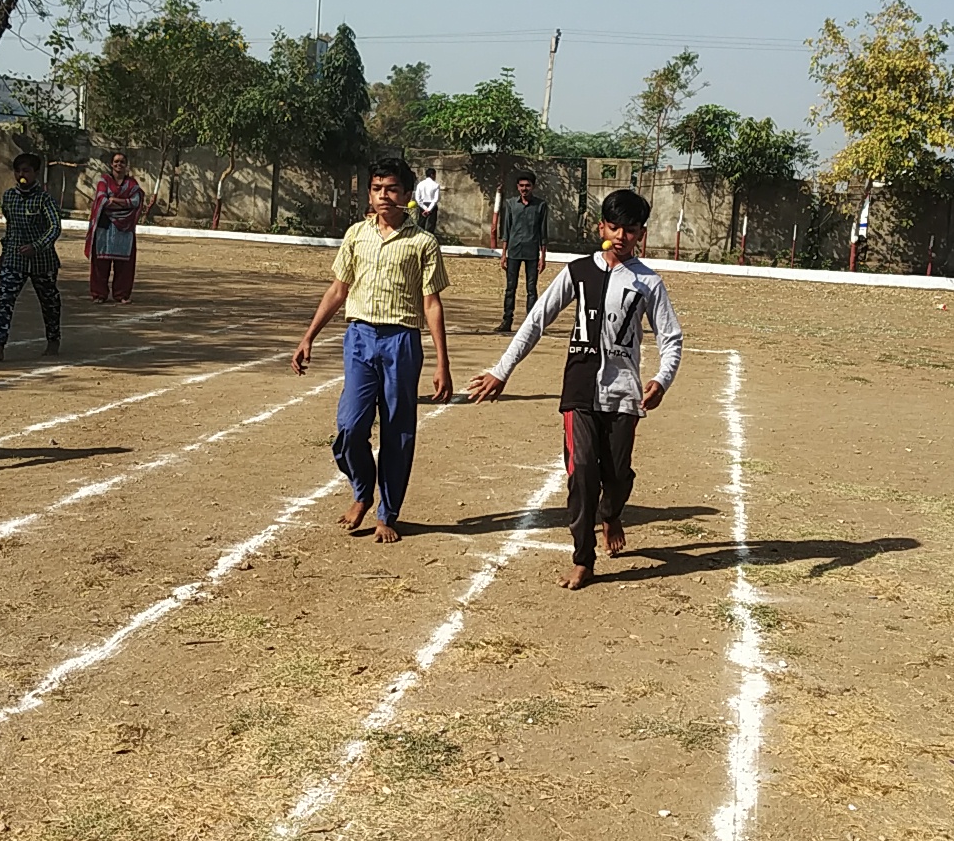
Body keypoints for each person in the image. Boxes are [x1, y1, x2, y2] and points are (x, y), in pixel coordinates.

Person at [467, 189, 684, 590]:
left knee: (617, 475)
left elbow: (670, 338)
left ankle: (612, 511)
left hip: (623, 394)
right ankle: (583, 558)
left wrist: (661, 379)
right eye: (614, 226)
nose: (621, 235)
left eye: (630, 229)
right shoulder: (578, 272)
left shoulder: (649, 283)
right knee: (582, 471)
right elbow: (536, 321)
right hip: (579, 391)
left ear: (641, 234)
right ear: (601, 227)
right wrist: (502, 370)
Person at [291, 155, 452, 544]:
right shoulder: (356, 235)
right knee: (349, 426)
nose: (384, 196)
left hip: (402, 341)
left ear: (407, 195)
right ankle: (362, 491)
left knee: (398, 430)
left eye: (392, 189)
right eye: (378, 189)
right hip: (360, 337)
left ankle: (387, 512)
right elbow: (338, 289)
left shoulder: (423, 243)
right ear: (370, 192)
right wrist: (308, 335)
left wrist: (442, 363)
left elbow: (432, 303)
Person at [0, 152, 62, 361]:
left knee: (49, 302)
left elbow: (55, 228)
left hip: (42, 261)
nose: (21, 175)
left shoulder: (45, 200)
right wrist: (4, 252)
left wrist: (37, 246)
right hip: (14, 259)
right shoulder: (9, 197)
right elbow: (10, 228)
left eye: (26, 170)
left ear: (36, 173)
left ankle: (53, 339)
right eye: (18, 171)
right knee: (5, 299)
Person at [85, 152, 145, 304]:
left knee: (125, 264)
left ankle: (122, 295)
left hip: (124, 229)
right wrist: (124, 203)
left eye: (122, 162)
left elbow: (136, 201)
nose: (119, 164)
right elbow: (102, 200)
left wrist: (115, 201)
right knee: (100, 262)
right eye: (116, 162)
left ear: (126, 165)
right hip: (105, 227)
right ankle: (99, 294)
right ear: (111, 164)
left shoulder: (132, 183)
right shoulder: (103, 181)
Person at [495, 168, 549, 332]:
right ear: (517, 187)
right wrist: (503, 254)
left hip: (532, 252)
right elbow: (506, 230)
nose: (524, 189)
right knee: (511, 287)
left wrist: (543, 256)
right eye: (521, 186)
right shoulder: (511, 204)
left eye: (528, 186)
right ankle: (507, 321)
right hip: (514, 251)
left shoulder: (541, 205)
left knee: (531, 289)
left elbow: (543, 232)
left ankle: (531, 324)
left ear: (533, 187)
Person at [413, 166, 441, 235]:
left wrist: (425, 208)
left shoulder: (420, 184)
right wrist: (429, 209)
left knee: (421, 224)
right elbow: (436, 199)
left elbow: (417, 198)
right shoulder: (436, 185)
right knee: (430, 226)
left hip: (422, 206)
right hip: (432, 206)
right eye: (435, 175)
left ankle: (419, 239)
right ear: (432, 175)